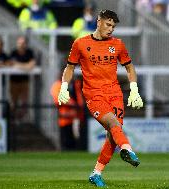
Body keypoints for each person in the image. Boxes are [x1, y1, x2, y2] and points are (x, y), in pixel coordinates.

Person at [58, 10, 143, 187]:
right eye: (108, 24)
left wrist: (134, 90)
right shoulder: (80, 43)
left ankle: (96, 173)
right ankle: (127, 149)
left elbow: (129, 68)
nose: (111, 29)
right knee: (114, 125)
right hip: (93, 94)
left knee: (113, 136)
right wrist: (64, 87)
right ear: (98, 22)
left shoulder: (118, 44)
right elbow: (70, 68)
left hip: (115, 94)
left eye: (113, 26)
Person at [50, 73, 85, 151]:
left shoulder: (77, 84)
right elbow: (59, 97)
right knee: (67, 143)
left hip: (79, 118)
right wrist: (74, 105)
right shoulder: (58, 85)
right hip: (65, 120)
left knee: (79, 143)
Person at [10, 36, 36, 115]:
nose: (21, 45)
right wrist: (25, 66)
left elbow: (31, 65)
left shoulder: (29, 52)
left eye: (23, 43)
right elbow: (11, 63)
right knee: (13, 102)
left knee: (24, 103)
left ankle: (23, 120)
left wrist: (19, 65)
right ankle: (13, 119)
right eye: (19, 43)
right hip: (14, 82)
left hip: (25, 82)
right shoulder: (13, 52)